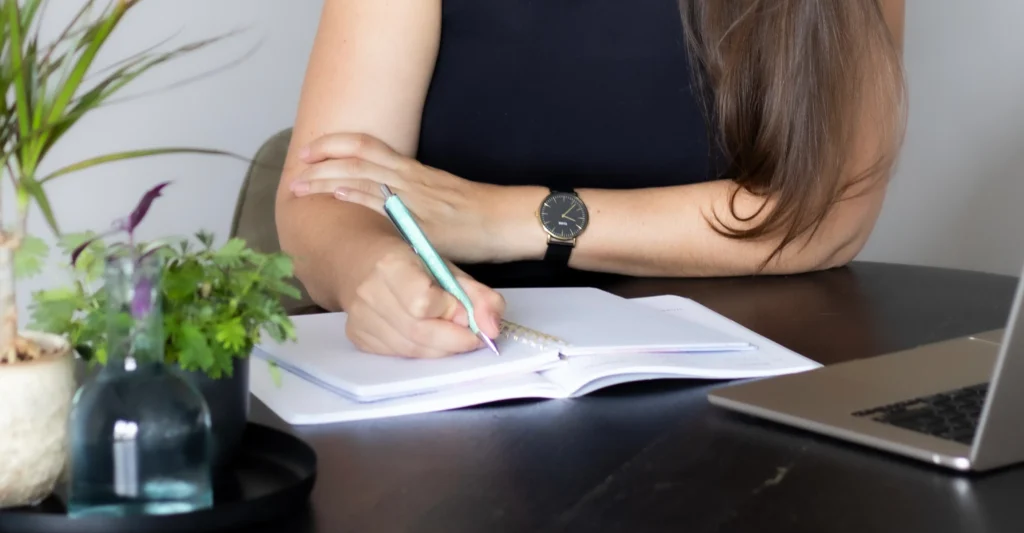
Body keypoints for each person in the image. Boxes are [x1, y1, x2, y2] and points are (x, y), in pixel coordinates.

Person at [275, 0, 907, 359]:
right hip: (471, 366)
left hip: (754, 363)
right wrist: (372, 274)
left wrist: (503, 218)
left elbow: (827, 214)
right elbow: (323, 197)